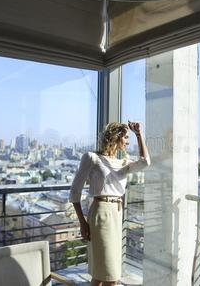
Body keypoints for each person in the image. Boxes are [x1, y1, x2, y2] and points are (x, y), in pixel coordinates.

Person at [69, 121, 150, 286]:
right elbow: (74, 192)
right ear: (116, 137)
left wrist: (138, 134)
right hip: (101, 214)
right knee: (111, 276)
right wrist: (82, 222)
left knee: (101, 274)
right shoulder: (92, 158)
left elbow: (145, 161)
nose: (128, 142)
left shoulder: (123, 163)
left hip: (117, 213)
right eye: (126, 137)